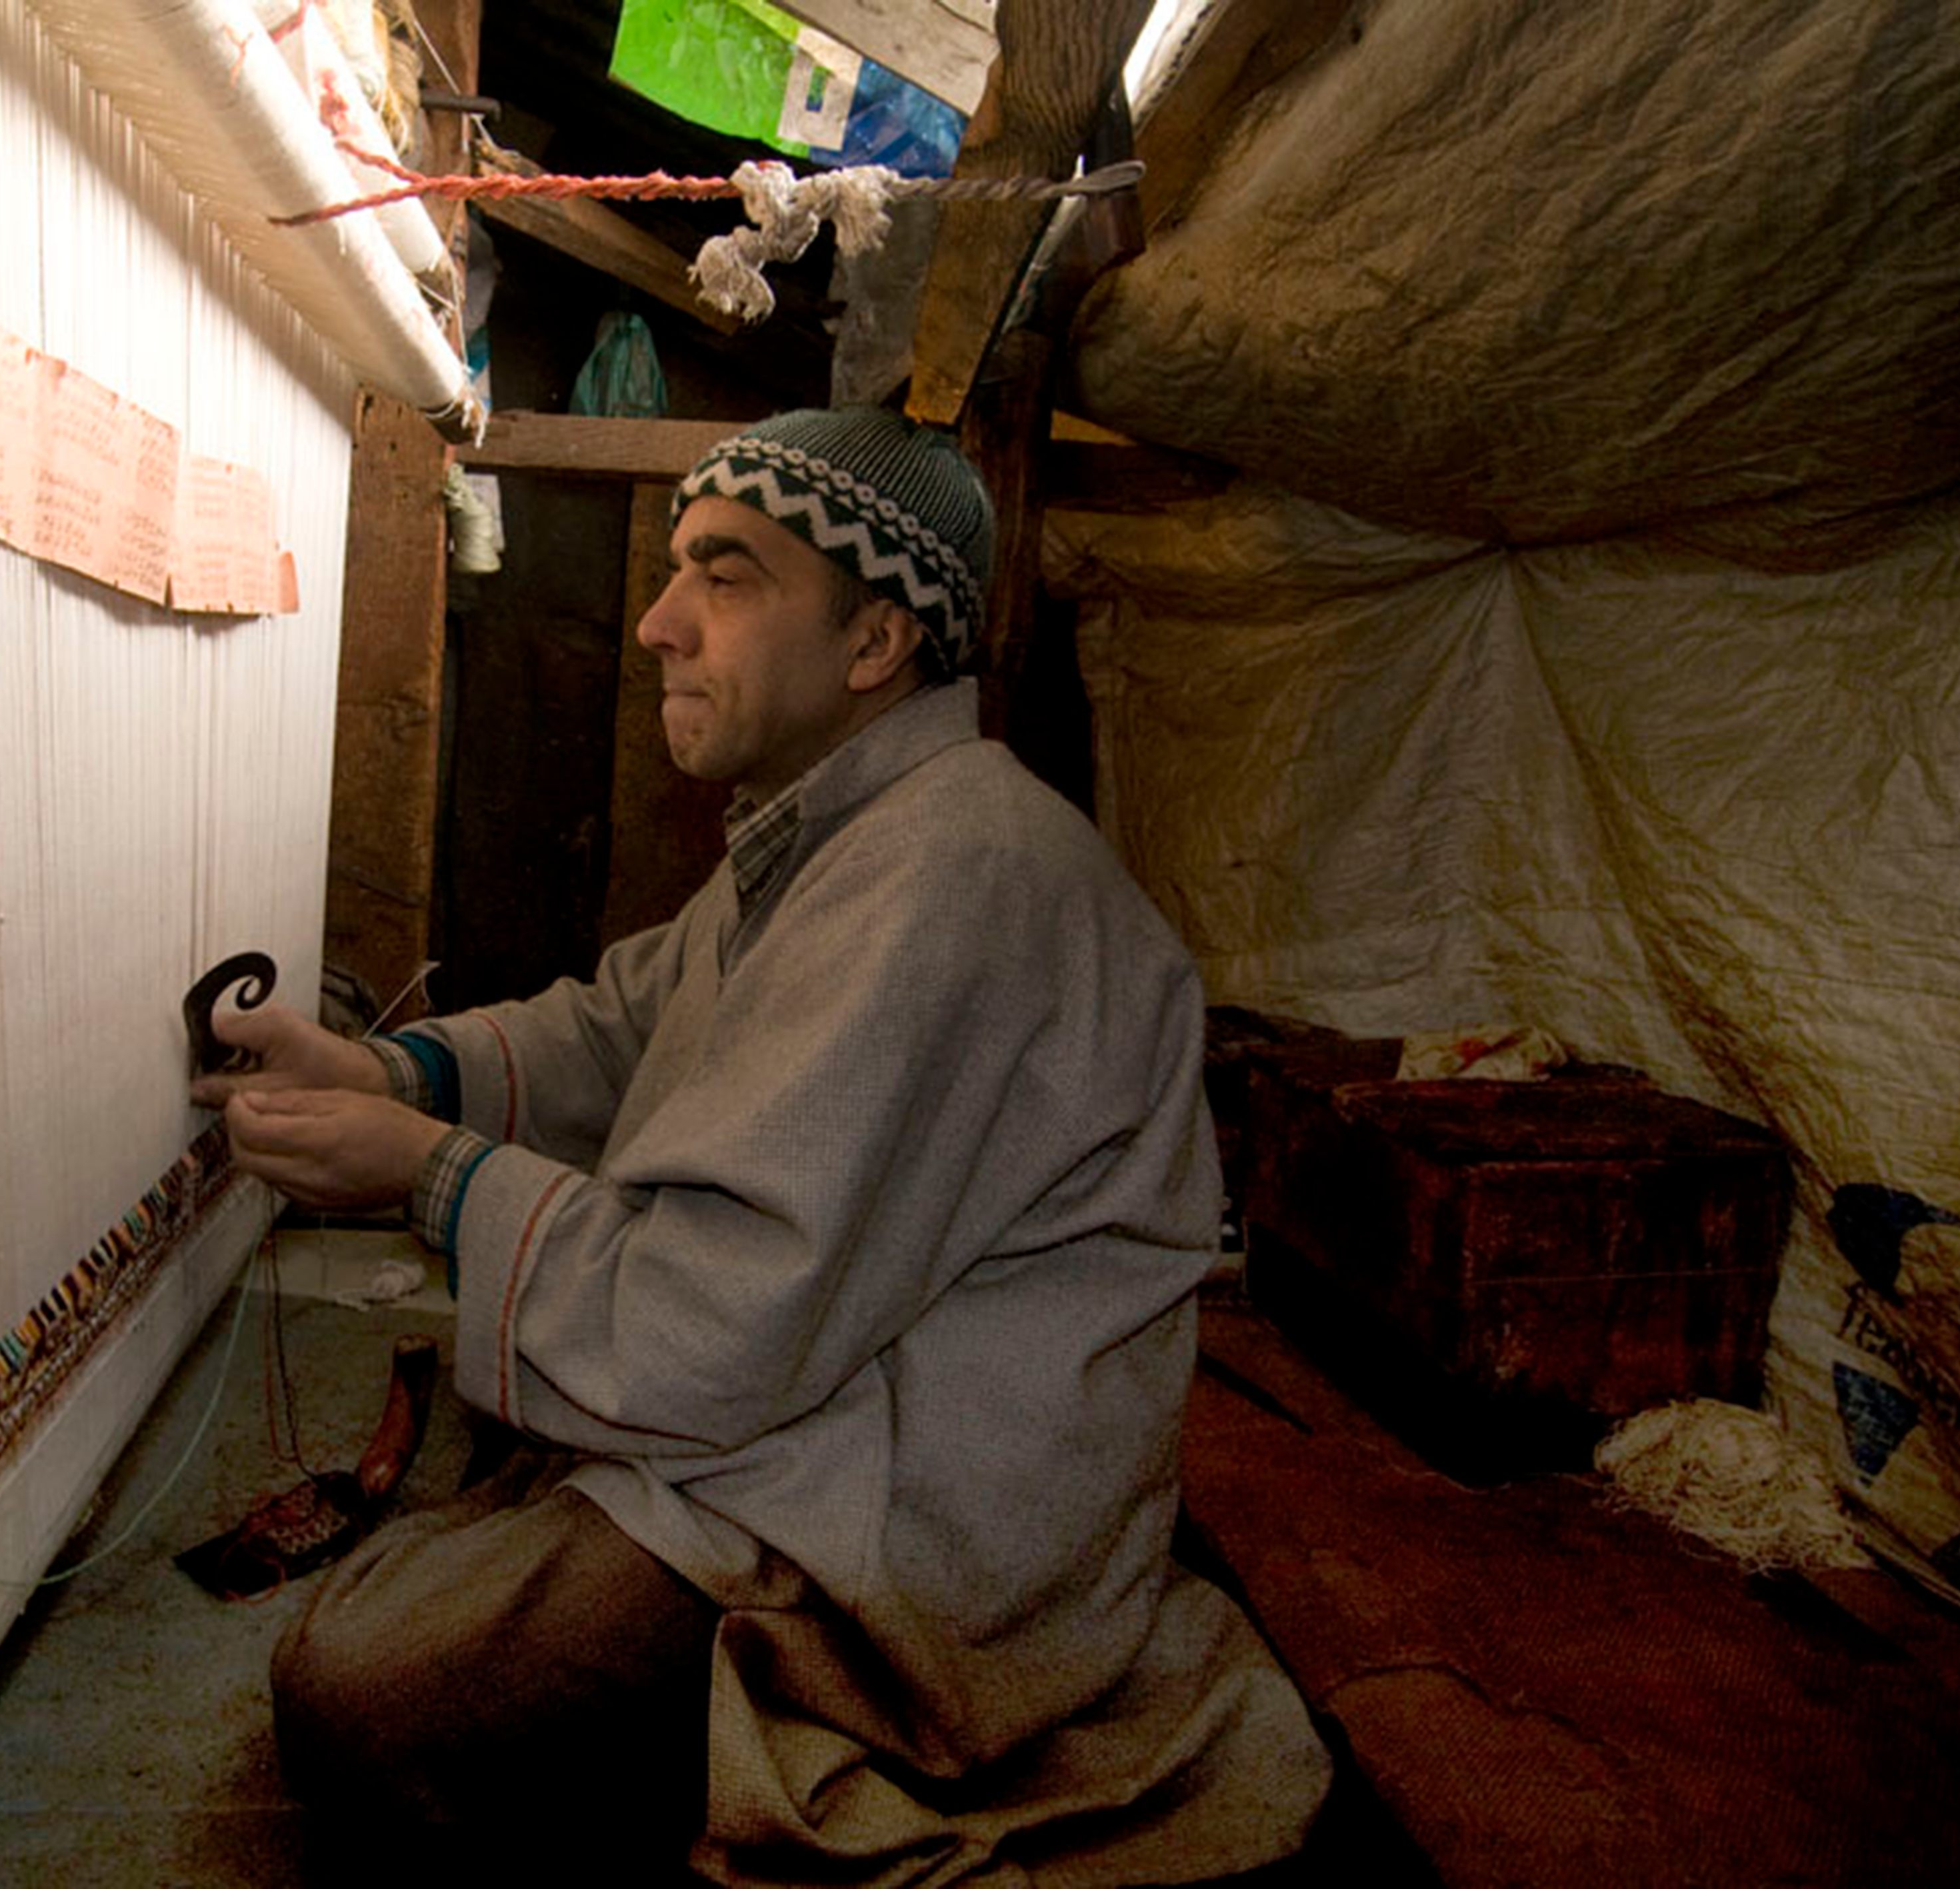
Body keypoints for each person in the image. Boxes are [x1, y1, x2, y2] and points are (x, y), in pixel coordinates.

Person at [193, 407, 1331, 1886]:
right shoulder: (838, 838)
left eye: (724, 577)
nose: (662, 623)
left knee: (365, 1690)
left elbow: (716, 1312)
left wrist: (422, 1168)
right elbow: (618, 1029)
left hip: (910, 1525)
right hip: (814, 1407)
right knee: (448, 1557)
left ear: (872, 642)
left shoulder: (953, 879)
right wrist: (376, 1063)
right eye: (677, 573)